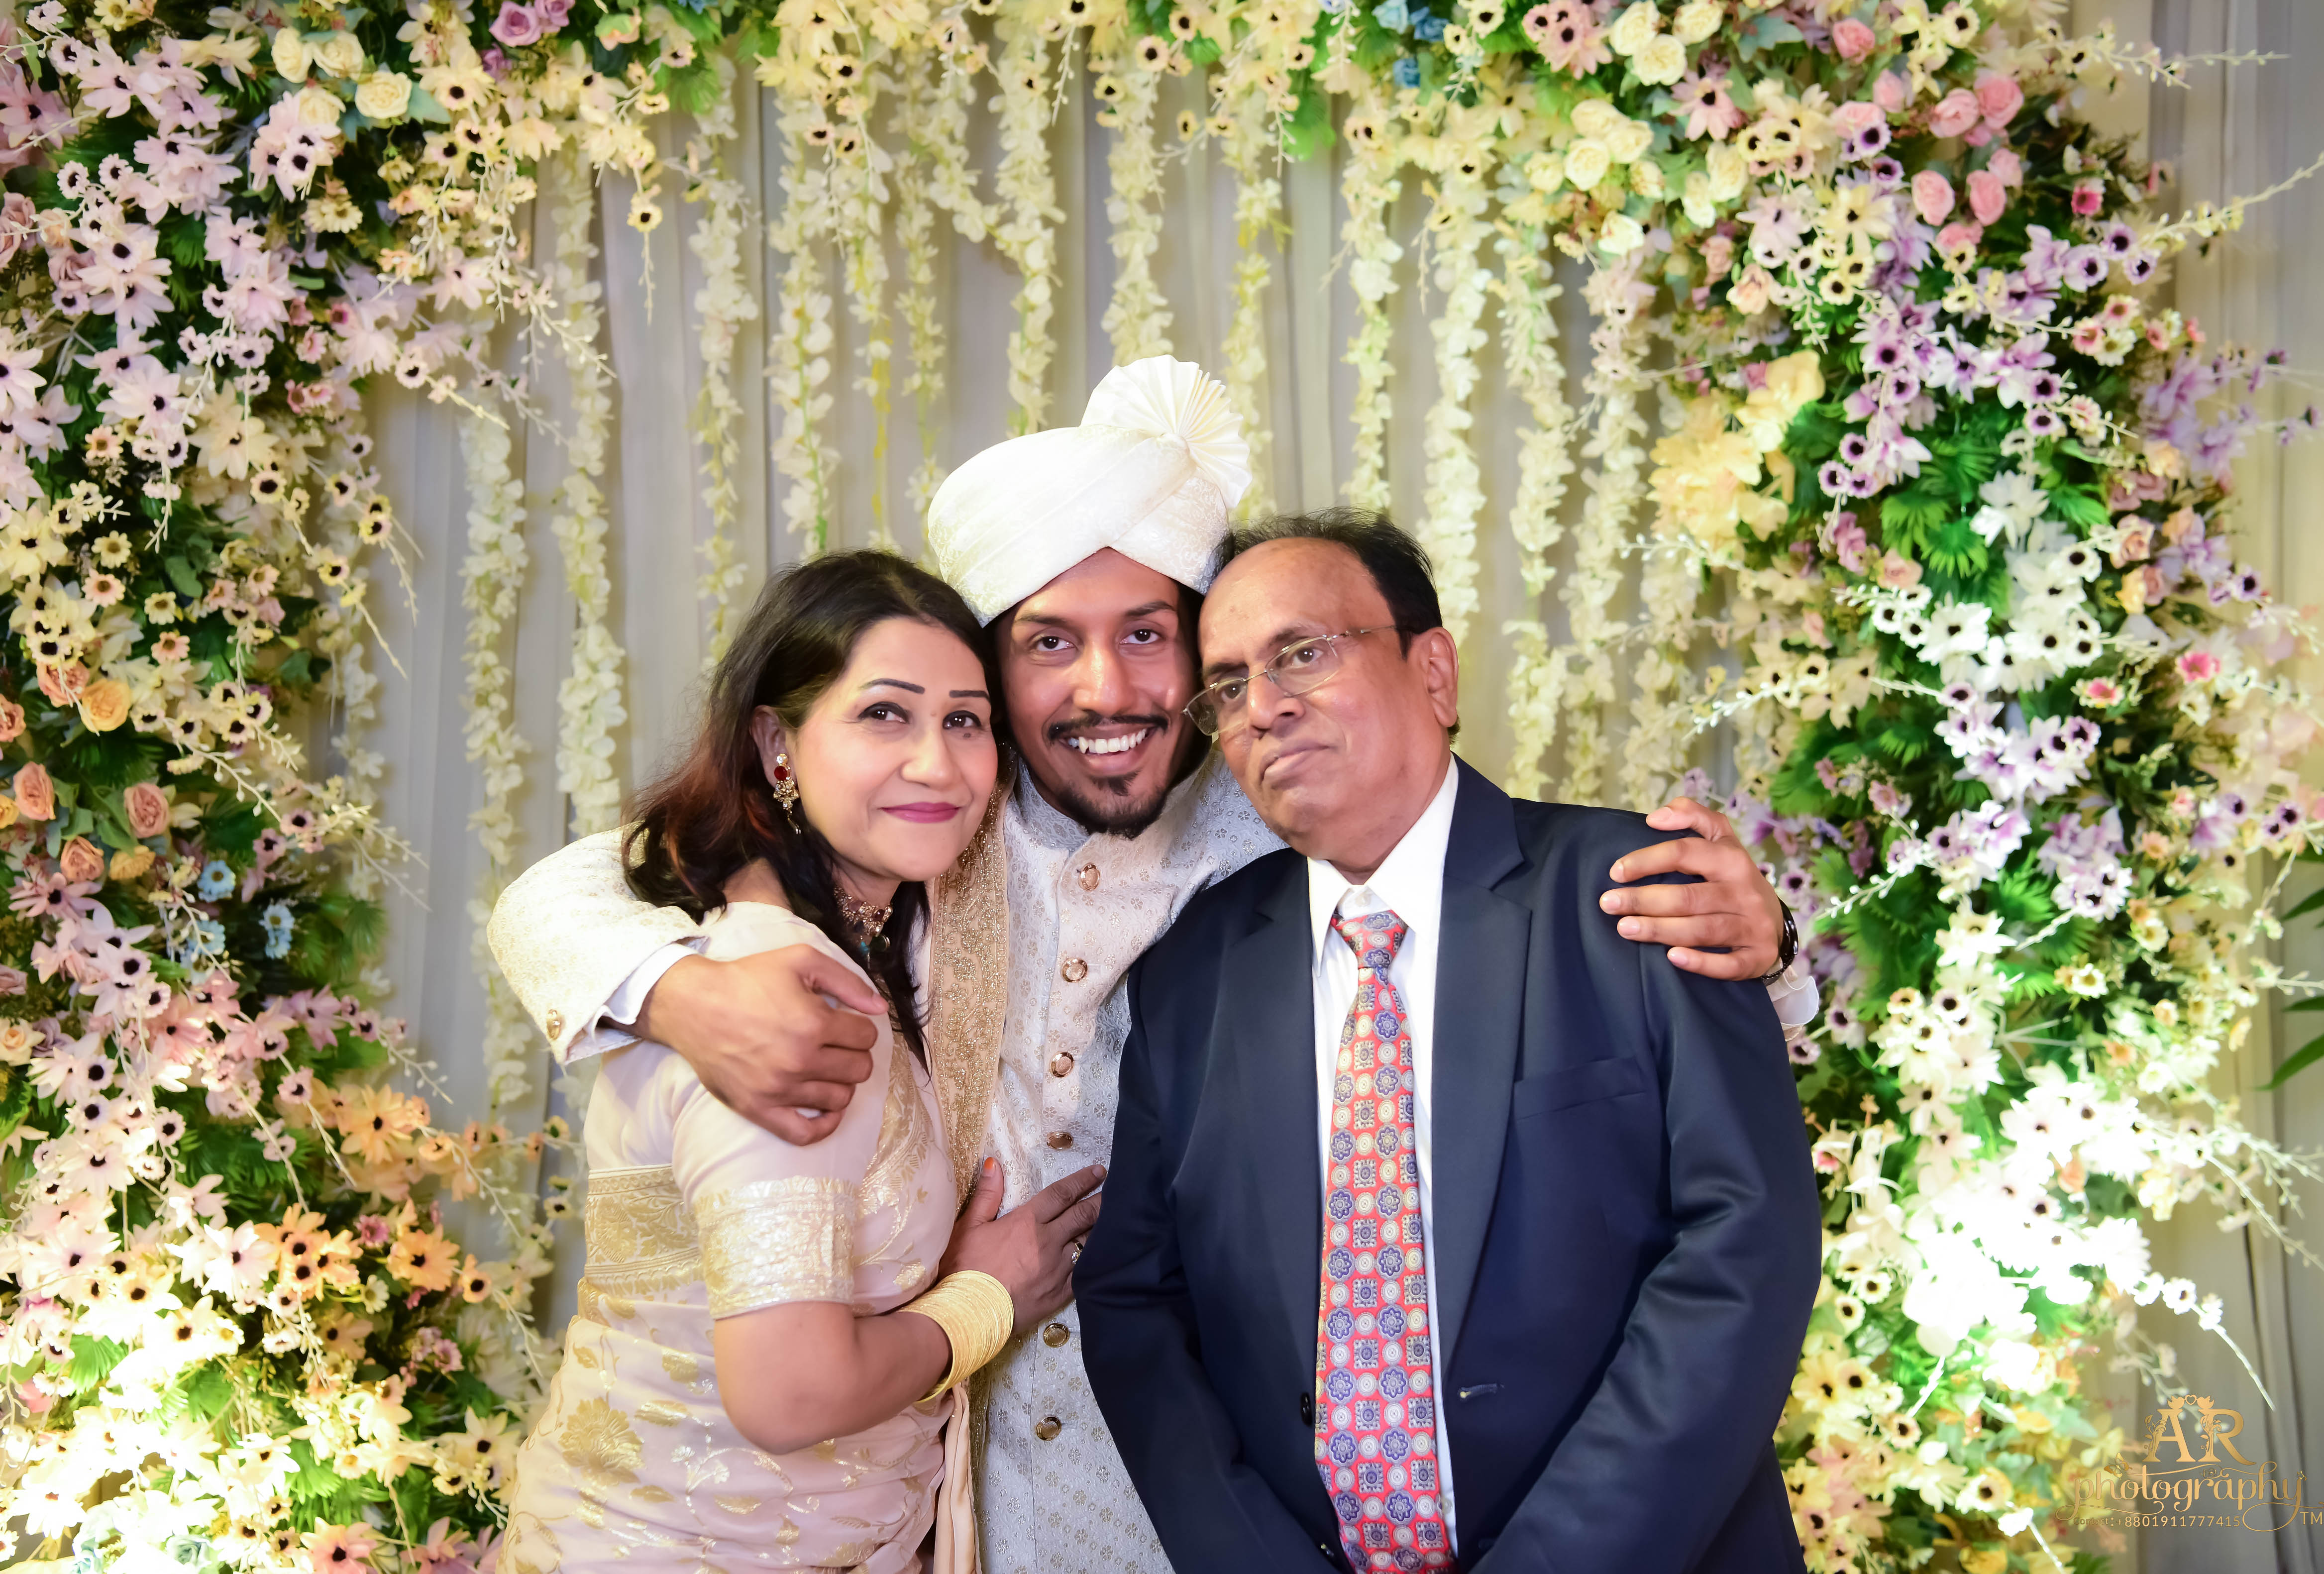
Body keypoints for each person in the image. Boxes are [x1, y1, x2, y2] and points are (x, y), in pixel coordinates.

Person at [489, 358, 1813, 1574]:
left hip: (1217, 1480)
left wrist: (1770, 954)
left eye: (1150, 633)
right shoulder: (937, 809)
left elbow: (1516, 941)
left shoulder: (1272, 814)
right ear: (994, 673)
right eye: (1045, 642)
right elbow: (572, 886)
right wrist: (678, 988)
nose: (1105, 690)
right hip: (979, 1467)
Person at [1075, 513, 1822, 1574]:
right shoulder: (1192, 969)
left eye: (1304, 653)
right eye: (1230, 684)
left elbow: (1746, 1248)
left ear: (1433, 672)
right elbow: (1136, 1299)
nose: (1266, 707)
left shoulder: (1638, 890)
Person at [496, 553, 1100, 1574]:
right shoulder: (785, 1006)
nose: (938, 764)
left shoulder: (855, 931)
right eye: (884, 716)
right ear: (777, 740)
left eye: (965, 721)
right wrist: (984, 1298)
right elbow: (789, 1395)